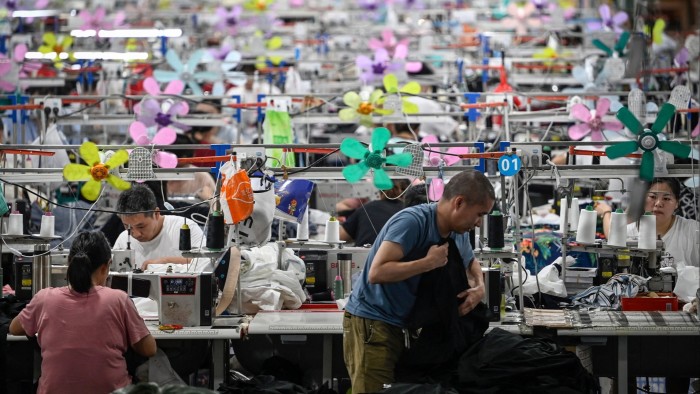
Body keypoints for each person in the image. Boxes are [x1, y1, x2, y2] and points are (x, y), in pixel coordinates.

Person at [343, 169, 495, 393]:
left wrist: (479, 288)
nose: (480, 223)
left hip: (406, 326)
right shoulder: (412, 222)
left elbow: (470, 260)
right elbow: (376, 273)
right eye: (479, 214)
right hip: (374, 323)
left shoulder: (458, 231)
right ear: (459, 203)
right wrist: (428, 262)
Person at [9, 231, 157, 394]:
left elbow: (14, 329)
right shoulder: (118, 300)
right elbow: (149, 349)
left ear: (69, 263)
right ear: (105, 267)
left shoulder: (44, 298)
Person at [596, 177, 699, 267]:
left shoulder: (693, 231)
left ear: (677, 203)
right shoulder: (628, 234)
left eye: (666, 198)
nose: (658, 204)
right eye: (653, 197)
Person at [113, 184, 211, 272]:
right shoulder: (123, 240)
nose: (136, 234)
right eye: (127, 227)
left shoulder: (185, 228)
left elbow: (207, 263)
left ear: (156, 213)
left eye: (141, 226)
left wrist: (166, 262)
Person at [339, 179, 409, 247]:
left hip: (364, 257)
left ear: (379, 192)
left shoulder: (367, 208)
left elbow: (340, 237)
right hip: (398, 257)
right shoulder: (409, 211)